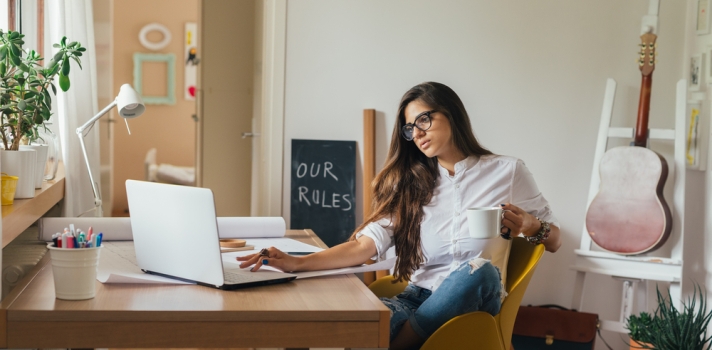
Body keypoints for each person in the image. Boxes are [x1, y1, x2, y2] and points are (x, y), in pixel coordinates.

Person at [238, 81, 561, 350]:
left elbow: (555, 239)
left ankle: (403, 344)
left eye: (424, 120)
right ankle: (411, 337)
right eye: (410, 128)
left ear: (451, 113)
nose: (417, 133)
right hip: (414, 299)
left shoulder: (507, 171)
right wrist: (297, 262)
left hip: (476, 299)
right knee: (355, 326)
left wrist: (533, 227)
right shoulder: (411, 183)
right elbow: (364, 247)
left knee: (479, 271)